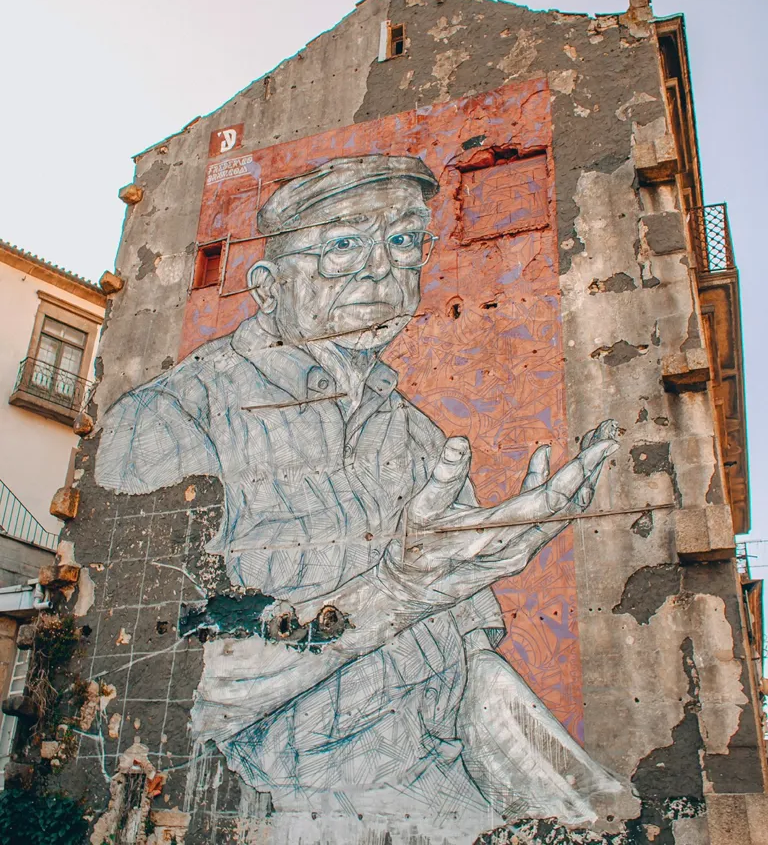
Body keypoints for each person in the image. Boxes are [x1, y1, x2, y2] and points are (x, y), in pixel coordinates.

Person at [96, 155, 624, 830]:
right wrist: (398, 591)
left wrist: (581, 812)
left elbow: (473, 677)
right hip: (278, 811)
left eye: (403, 240)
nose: (381, 269)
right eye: (343, 244)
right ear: (267, 287)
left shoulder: (421, 439)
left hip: (438, 795)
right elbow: (163, 685)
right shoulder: (170, 419)